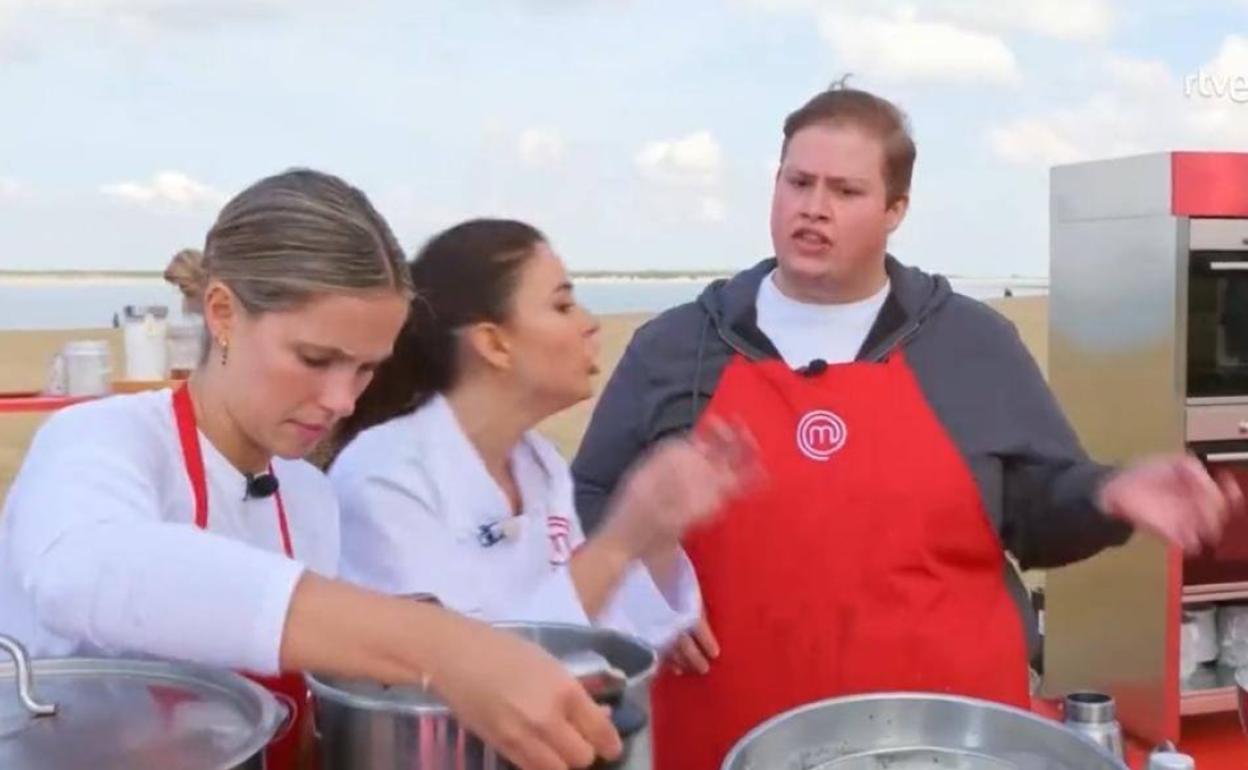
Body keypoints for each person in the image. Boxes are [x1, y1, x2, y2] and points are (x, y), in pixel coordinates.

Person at [570, 85, 1244, 770]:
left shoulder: (972, 344)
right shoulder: (676, 347)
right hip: (726, 732)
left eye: (846, 191)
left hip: (948, 739)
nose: (814, 208)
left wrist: (1109, 495)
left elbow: (1038, 513)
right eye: (798, 182)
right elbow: (586, 497)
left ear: (896, 210)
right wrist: (644, 584)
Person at [0, 169, 667, 770]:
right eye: (317, 359)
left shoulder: (308, 496)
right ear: (223, 314)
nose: (342, 401)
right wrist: (441, 646)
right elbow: (85, 570)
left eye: (366, 368)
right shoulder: (101, 439)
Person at [327, 219, 756, 649]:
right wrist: (620, 540)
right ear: (494, 344)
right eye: (563, 306)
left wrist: (658, 532)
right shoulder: (384, 477)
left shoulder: (539, 465)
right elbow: (467, 675)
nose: (590, 324)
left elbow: (608, 634)